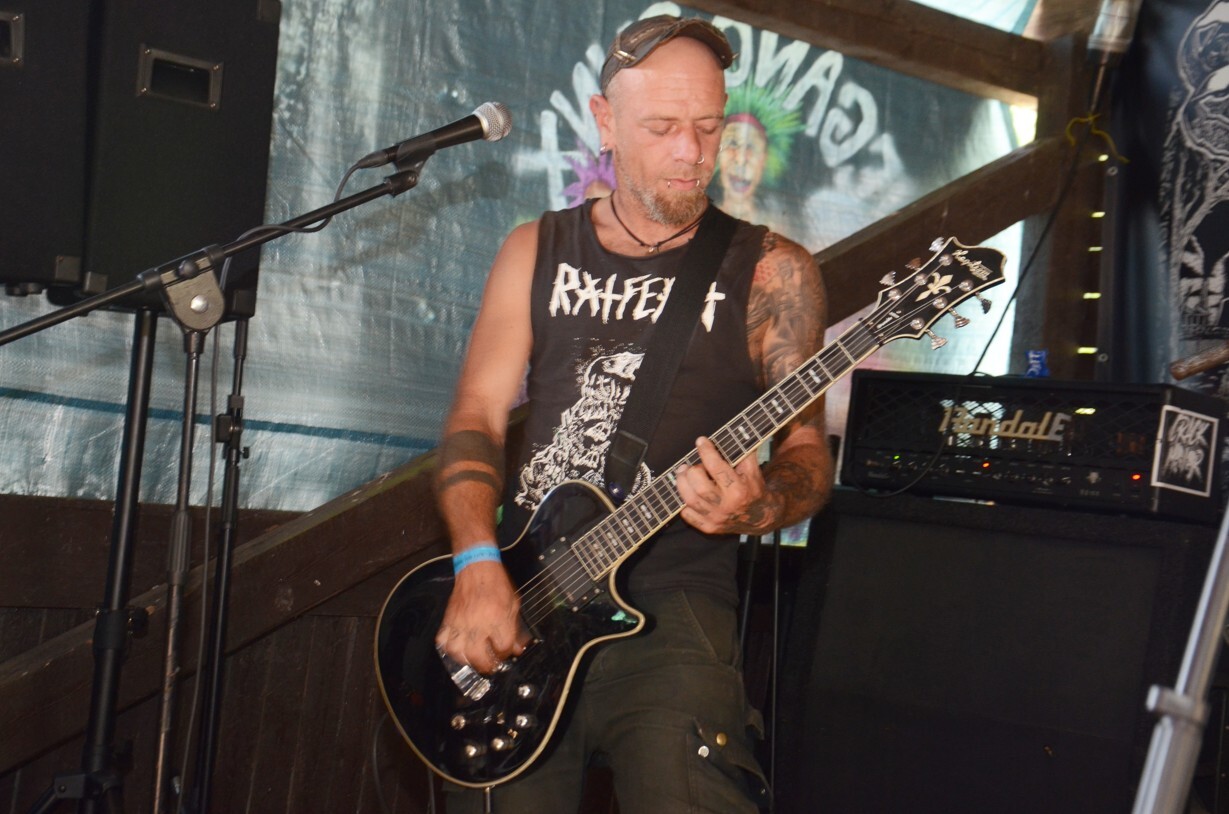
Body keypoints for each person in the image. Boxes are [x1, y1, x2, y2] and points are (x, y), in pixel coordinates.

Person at [432, 15, 833, 813]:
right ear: (605, 122)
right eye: (661, 127)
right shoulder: (535, 249)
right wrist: (476, 563)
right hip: (522, 596)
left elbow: (806, 453)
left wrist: (759, 505)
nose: (691, 150)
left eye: (708, 126)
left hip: (676, 610)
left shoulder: (772, 272)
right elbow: (476, 414)